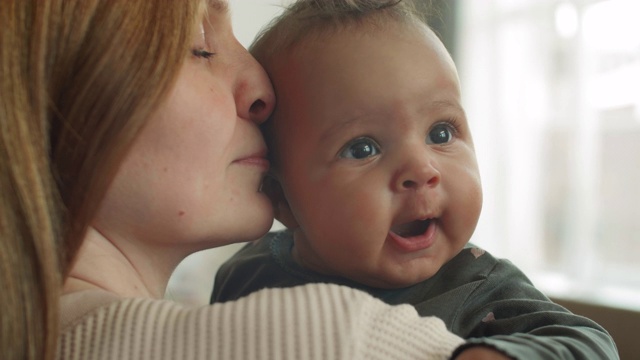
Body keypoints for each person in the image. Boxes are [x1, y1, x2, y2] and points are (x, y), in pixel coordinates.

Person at [0, 0, 469, 359]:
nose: (261, 86)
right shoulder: (330, 338)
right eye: (199, 46)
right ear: (53, 91)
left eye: (442, 133)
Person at [210, 1, 619, 359]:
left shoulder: (479, 288)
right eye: (362, 148)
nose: (422, 170)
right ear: (281, 198)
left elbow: (591, 344)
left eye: (440, 133)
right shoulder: (248, 274)